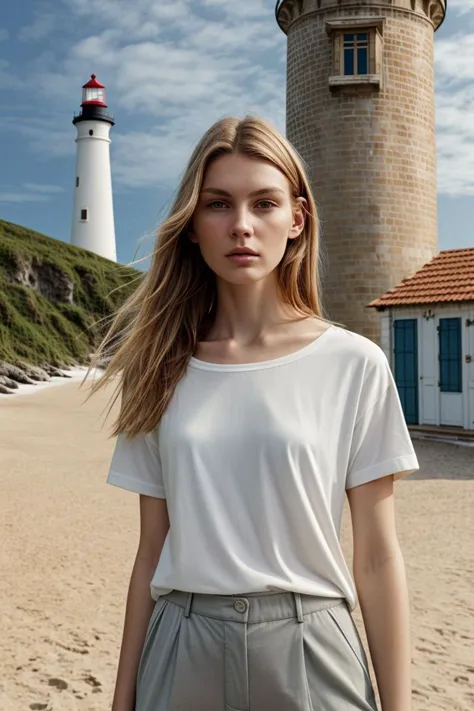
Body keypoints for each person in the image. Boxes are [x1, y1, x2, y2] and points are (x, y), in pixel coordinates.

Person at [87, 116, 419, 711]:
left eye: (263, 202)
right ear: (192, 225)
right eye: (218, 204)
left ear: (297, 218)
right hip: (180, 646)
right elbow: (150, 552)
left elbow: (376, 555)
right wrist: (122, 699)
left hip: (313, 649)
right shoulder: (160, 367)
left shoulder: (354, 364)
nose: (240, 225)